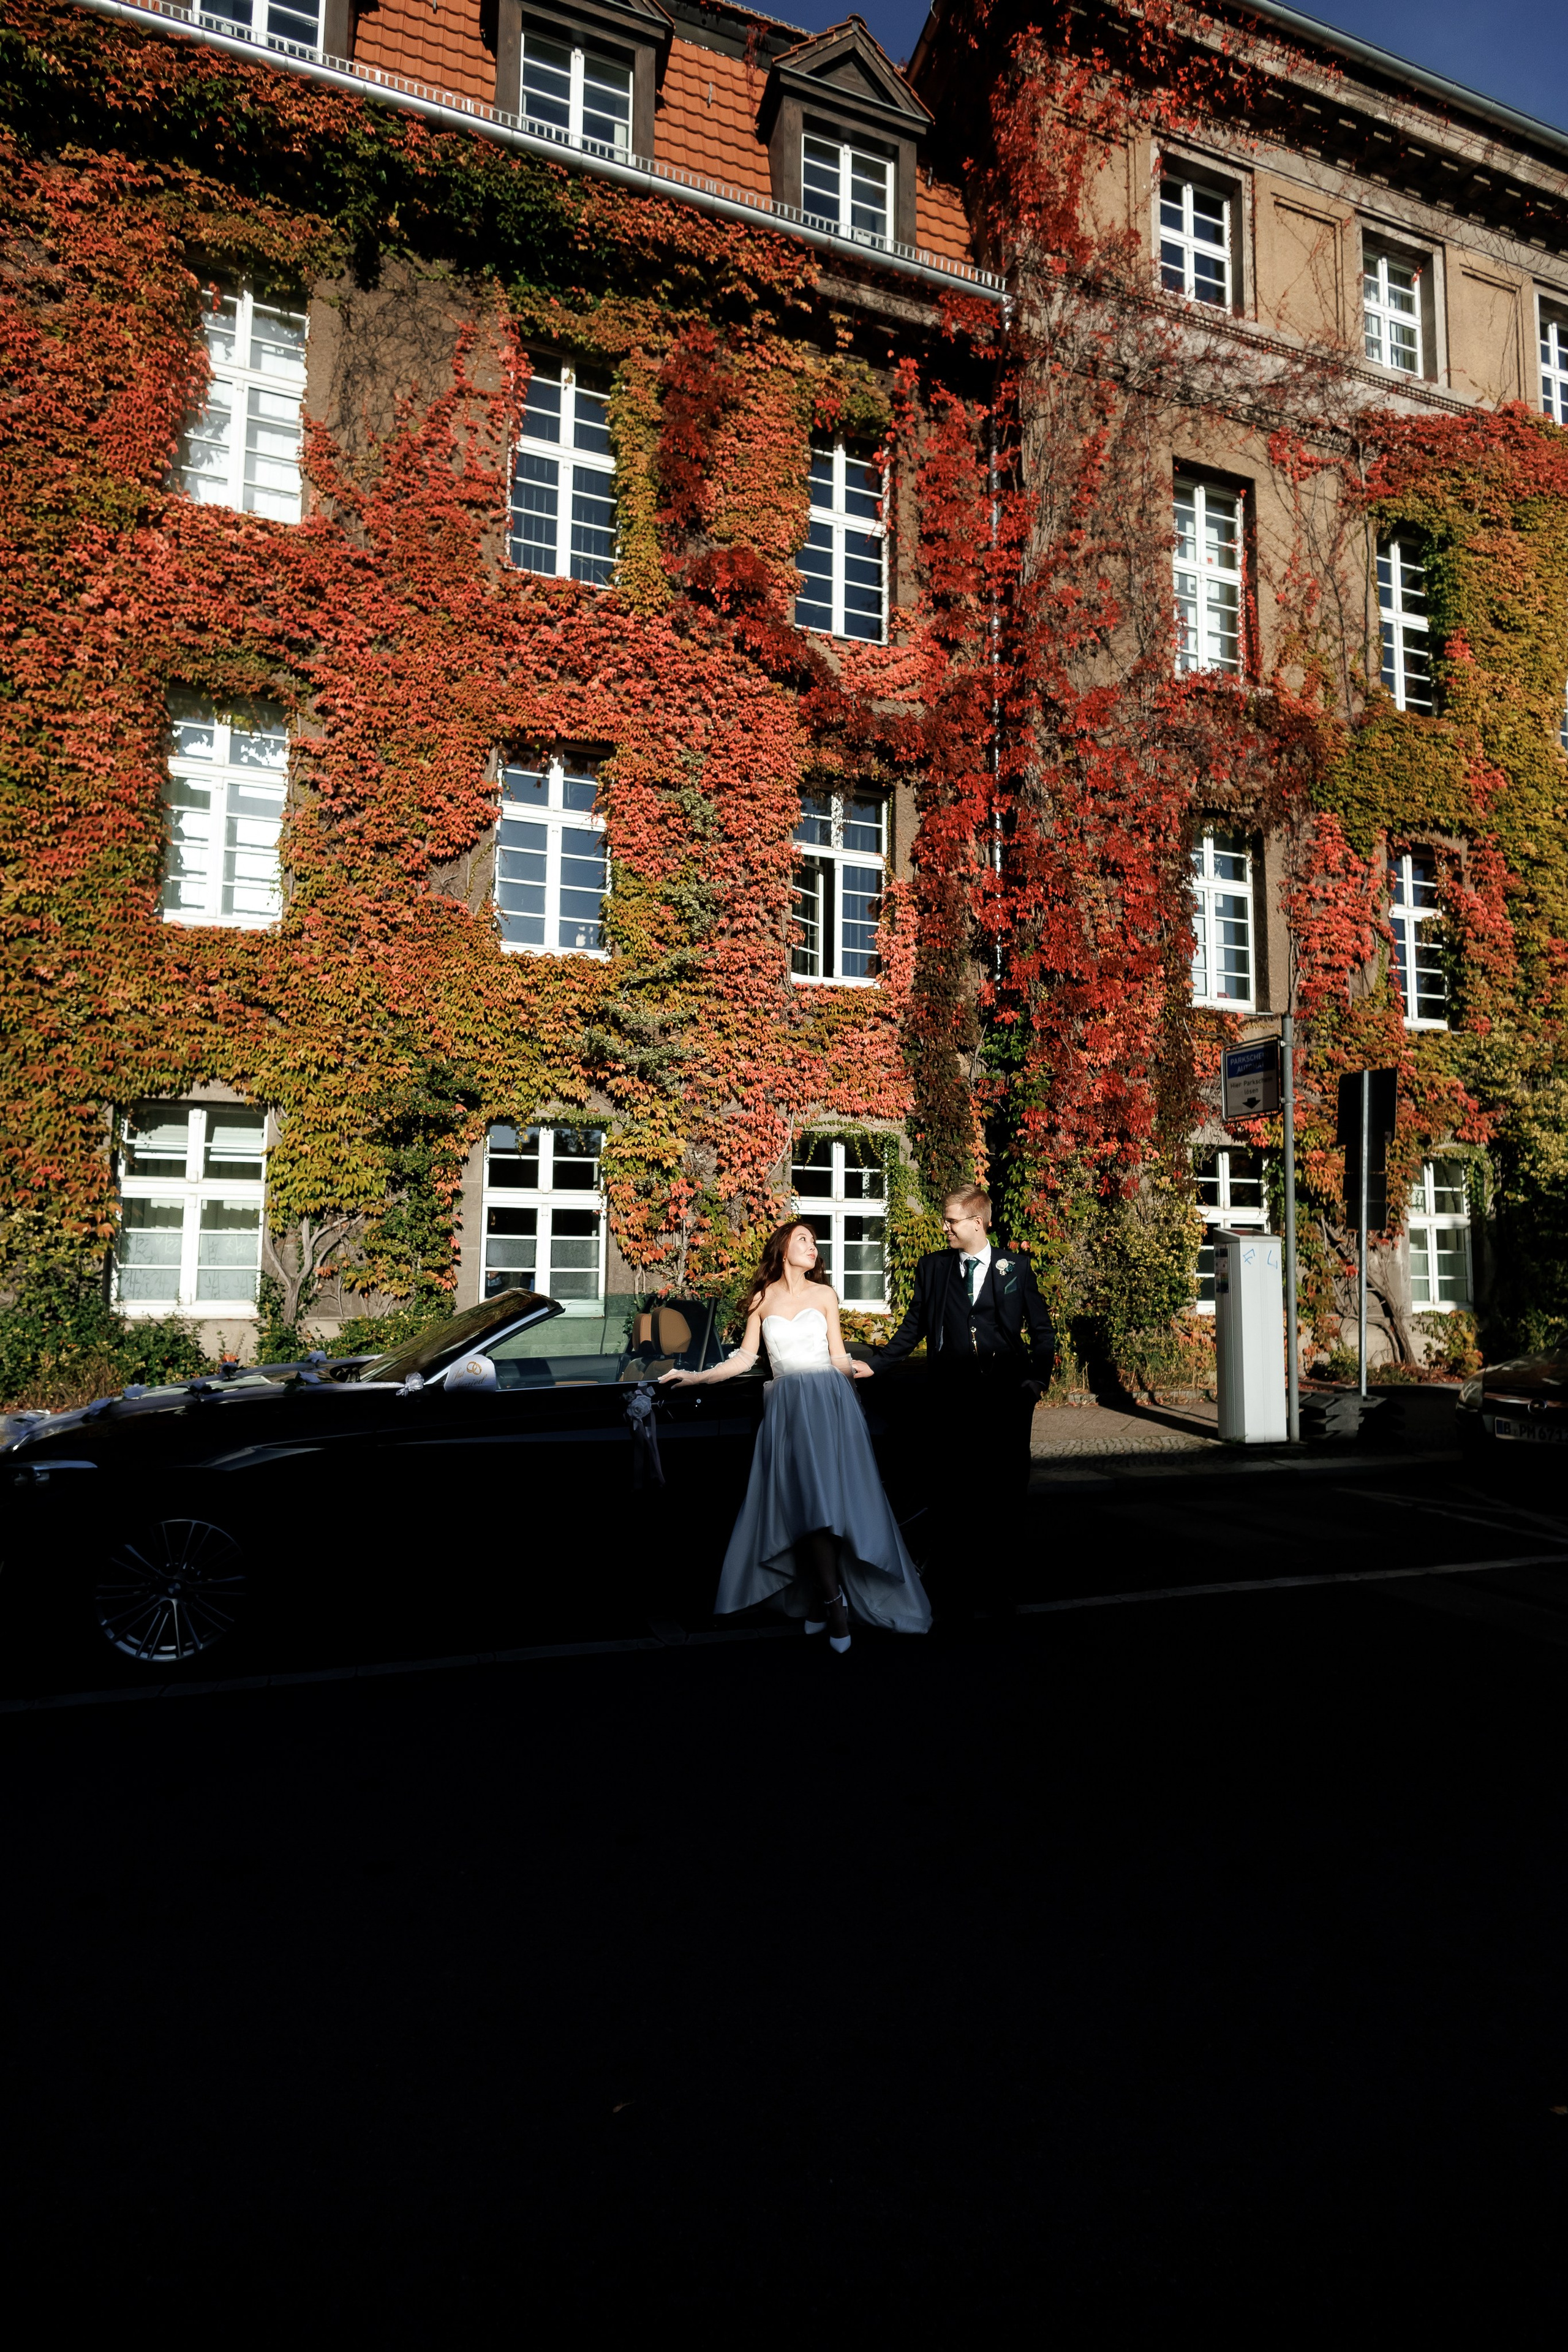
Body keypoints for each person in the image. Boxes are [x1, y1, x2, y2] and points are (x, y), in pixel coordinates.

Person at [660, 1219, 930, 1652]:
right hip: (788, 1410)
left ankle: (830, 1604)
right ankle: (829, 1600)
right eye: (803, 1238)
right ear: (783, 1248)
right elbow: (745, 1358)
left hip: (830, 1405)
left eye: (815, 1241)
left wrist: (856, 1412)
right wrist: (697, 1377)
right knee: (807, 1505)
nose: (812, 1246)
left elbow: (839, 1357)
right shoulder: (762, 1298)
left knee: (830, 1507)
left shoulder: (824, 1295)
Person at [876, 1183, 1055, 1607]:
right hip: (952, 1396)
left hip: (1007, 1398)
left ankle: (1003, 1583)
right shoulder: (934, 1267)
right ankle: (954, 1585)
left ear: (977, 1222)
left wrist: (1036, 1381)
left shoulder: (1016, 1268)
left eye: (951, 1221)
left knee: (1005, 1488)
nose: (945, 1227)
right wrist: (879, 1364)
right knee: (953, 1489)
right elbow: (914, 1325)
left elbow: (1042, 1330)